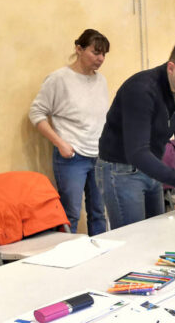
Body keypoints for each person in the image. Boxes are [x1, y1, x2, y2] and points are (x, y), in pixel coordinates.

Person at [96, 38, 175, 229]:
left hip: (152, 167)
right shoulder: (141, 90)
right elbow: (137, 152)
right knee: (134, 238)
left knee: (156, 233)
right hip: (121, 170)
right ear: (171, 68)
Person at [29, 29, 110, 236]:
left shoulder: (101, 80)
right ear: (79, 49)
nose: (100, 59)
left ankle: (100, 257)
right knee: (70, 214)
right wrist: (60, 143)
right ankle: (68, 259)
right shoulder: (59, 79)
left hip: (100, 156)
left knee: (99, 212)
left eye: (104, 54)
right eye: (95, 52)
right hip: (72, 156)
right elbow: (36, 113)